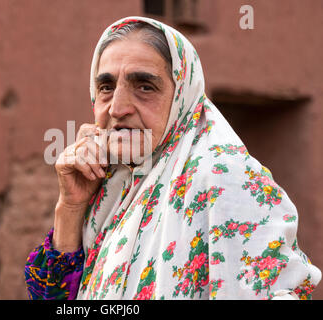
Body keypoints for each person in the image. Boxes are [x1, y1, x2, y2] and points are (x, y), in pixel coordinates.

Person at [24, 16, 321, 300]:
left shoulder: (221, 176)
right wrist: (71, 206)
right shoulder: (113, 184)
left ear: (182, 94)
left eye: (144, 86)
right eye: (106, 87)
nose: (117, 108)